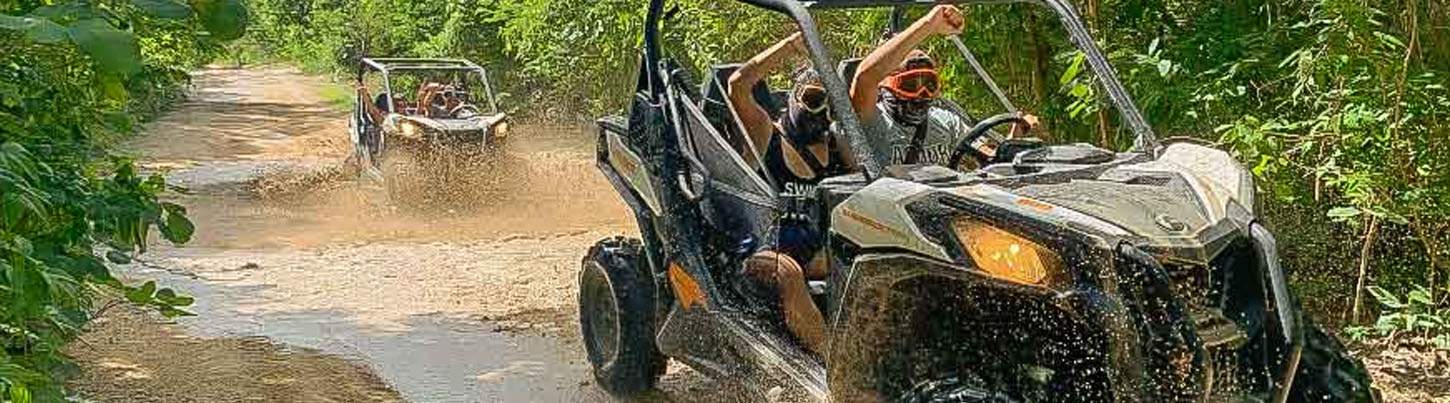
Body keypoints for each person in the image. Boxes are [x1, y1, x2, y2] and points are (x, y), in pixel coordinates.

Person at [727, 32, 854, 354]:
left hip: (816, 249)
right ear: (794, 97)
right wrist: (789, 47)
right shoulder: (765, 133)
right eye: (813, 98)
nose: (820, 110)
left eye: (830, 103)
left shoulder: (837, 146)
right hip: (761, 250)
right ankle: (829, 360)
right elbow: (738, 85)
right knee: (787, 272)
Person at [850, 5, 1038, 168]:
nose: (922, 93)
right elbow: (865, 78)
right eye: (911, 84)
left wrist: (1014, 139)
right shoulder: (870, 119)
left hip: (944, 198)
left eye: (930, 84)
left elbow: (992, 161)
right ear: (886, 84)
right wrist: (929, 24)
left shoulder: (946, 121)